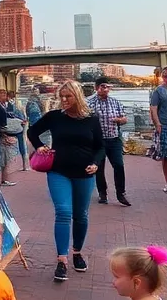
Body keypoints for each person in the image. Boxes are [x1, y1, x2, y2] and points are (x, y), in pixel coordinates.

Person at [28, 80, 104, 281]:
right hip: (58, 170)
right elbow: (32, 132)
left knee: (81, 214)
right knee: (63, 211)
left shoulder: (91, 119)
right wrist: (39, 146)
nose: (63, 100)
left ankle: (77, 252)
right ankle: (62, 259)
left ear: (77, 96)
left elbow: (100, 146)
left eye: (68, 96)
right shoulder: (54, 117)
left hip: (84, 172)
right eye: (61, 97)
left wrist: (96, 163)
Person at [86, 79, 130, 207]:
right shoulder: (89, 102)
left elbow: (124, 118)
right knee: (99, 168)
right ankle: (102, 193)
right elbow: (85, 118)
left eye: (107, 87)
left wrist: (119, 120)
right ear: (96, 88)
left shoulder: (115, 102)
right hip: (98, 140)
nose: (105, 89)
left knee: (119, 165)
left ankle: (121, 192)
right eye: (102, 87)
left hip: (114, 138)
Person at [5, 91, 29, 172]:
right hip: (19, 127)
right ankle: (24, 165)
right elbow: (23, 115)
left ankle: (6, 167)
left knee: (5, 146)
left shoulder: (6, 105)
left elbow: (9, 115)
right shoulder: (19, 104)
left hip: (9, 128)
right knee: (22, 144)